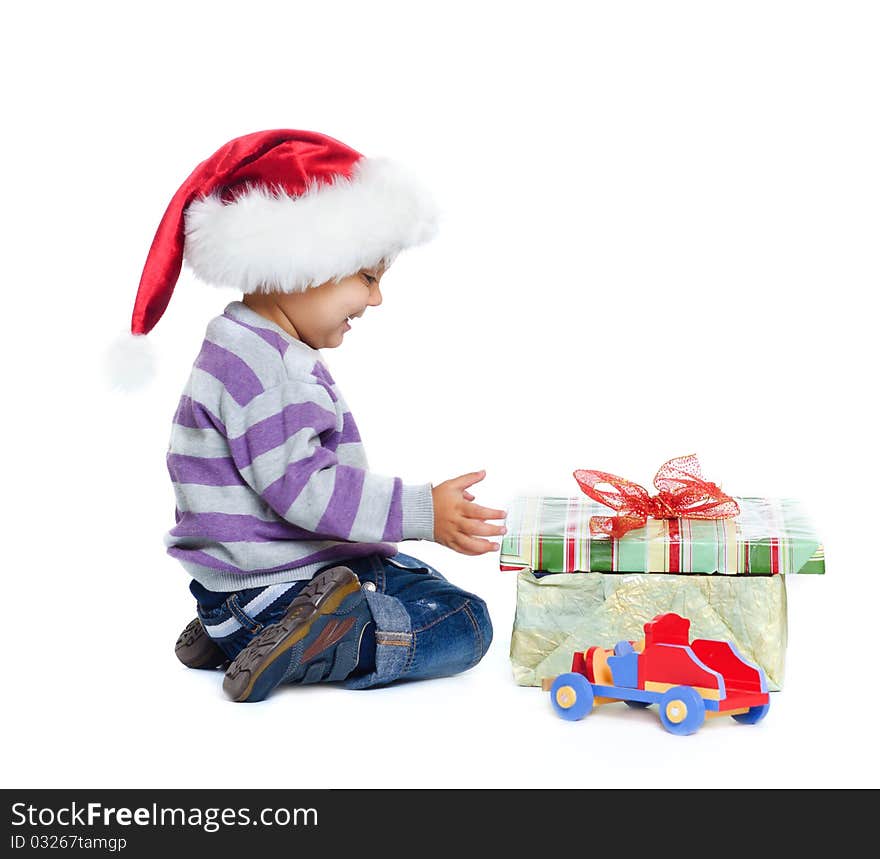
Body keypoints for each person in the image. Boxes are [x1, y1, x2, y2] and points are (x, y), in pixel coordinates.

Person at [120, 129, 504, 702]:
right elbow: (303, 490)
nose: (375, 301)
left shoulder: (236, 346)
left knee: (406, 576)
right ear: (301, 263)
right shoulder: (272, 366)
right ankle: (310, 636)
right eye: (367, 278)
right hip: (279, 584)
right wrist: (421, 509)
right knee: (463, 620)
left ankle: (233, 630)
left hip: (232, 587)